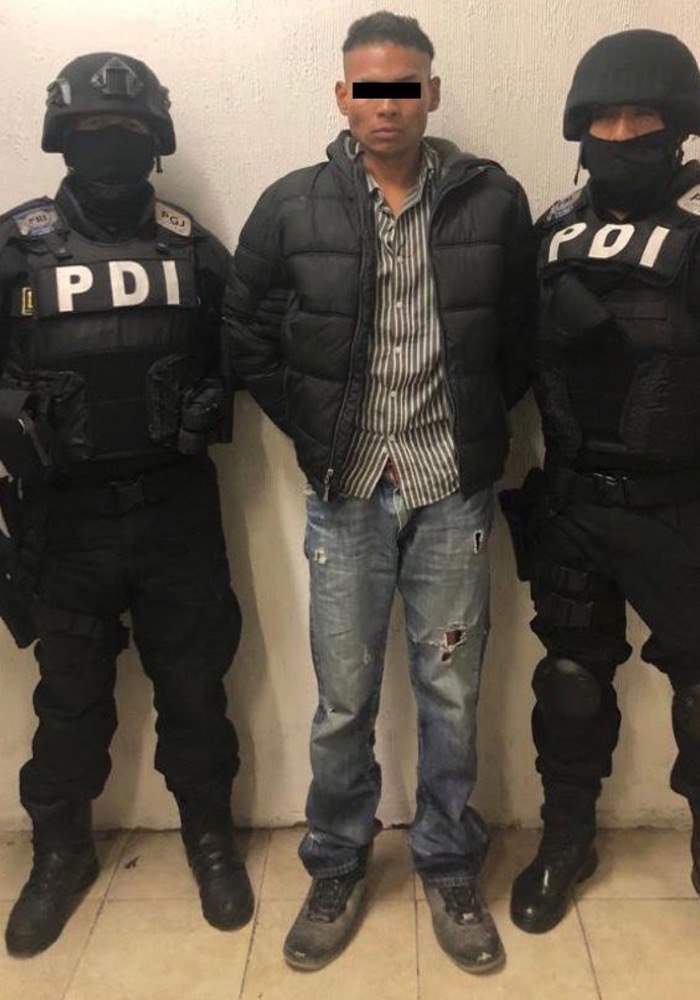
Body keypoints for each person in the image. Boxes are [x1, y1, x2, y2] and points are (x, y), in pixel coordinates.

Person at [224, 10, 535, 973]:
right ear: (343, 96)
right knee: (343, 698)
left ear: (431, 92)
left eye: (404, 86)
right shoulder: (292, 204)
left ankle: (448, 862)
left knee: (450, 692)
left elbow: (521, 336)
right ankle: (336, 862)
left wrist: (469, 427)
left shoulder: (491, 200)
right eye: (368, 87)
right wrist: (315, 427)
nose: (387, 105)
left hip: (451, 490)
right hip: (348, 490)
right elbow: (245, 336)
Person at [0, 52, 253, 957]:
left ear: (156, 143)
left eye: (130, 132)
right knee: (69, 699)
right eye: (95, 131)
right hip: (61, 519)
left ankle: (210, 838)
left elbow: (248, 347)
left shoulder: (193, 246)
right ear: (63, 140)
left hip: (173, 509)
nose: (112, 146)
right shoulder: (15, 246)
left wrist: (212, 399)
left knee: (195, 688)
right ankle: (59, 853)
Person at [503, 29, 700, 935]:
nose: (621, 134)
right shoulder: (550, 231)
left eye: (641, 117)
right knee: (570, 682)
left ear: (678, 125)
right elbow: (506, 354)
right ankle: (566, 840)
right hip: (575, 500)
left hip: (682, 505)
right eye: (606, 119)